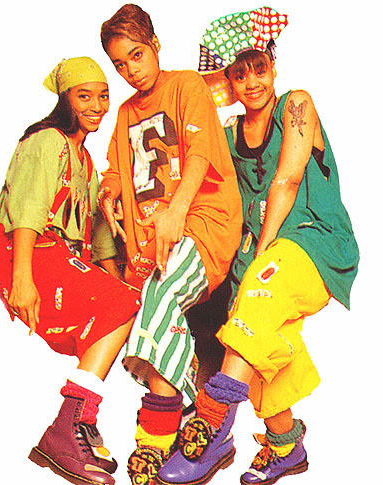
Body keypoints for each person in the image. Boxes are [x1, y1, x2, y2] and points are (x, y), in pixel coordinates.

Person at [157, 7, 359, 485]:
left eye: (259, 69)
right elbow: (199, 178)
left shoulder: (297, 105)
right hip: (259, 259)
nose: (251, 82)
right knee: (255, 336)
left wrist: (259, 255)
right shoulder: (228, 135)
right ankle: (286, 443)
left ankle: (211, 428)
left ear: (273, 67)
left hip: (312, 242)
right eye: (239, 74)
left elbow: (286, 181)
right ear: (229, 80)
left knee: (257, 295)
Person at [98, 4, 242, 483]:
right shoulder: (124, 113)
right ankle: (190, 420)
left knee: (161, 296)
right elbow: (117, 169)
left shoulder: (186, 86)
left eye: (137, 55)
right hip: (151, 243)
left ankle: (155, 440)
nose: (131, 71)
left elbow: (200, 154)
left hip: (202, 224)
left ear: (156, 44)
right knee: (144, 317)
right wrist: (109, 193)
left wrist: (177, 211)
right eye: (120, 64)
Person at [0, 56, 141, 485]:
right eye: (84, 96)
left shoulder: (86, 161)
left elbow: (100, 236)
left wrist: (119, 286)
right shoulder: (46, 142)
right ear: (65, 100)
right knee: (122, 304)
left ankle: (79, 422)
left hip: (62, 257)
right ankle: (68, 426)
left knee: (127, 303)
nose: (97, 106)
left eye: (103, 96)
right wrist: (22, 279)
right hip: (30, 254)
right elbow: (27, 212)